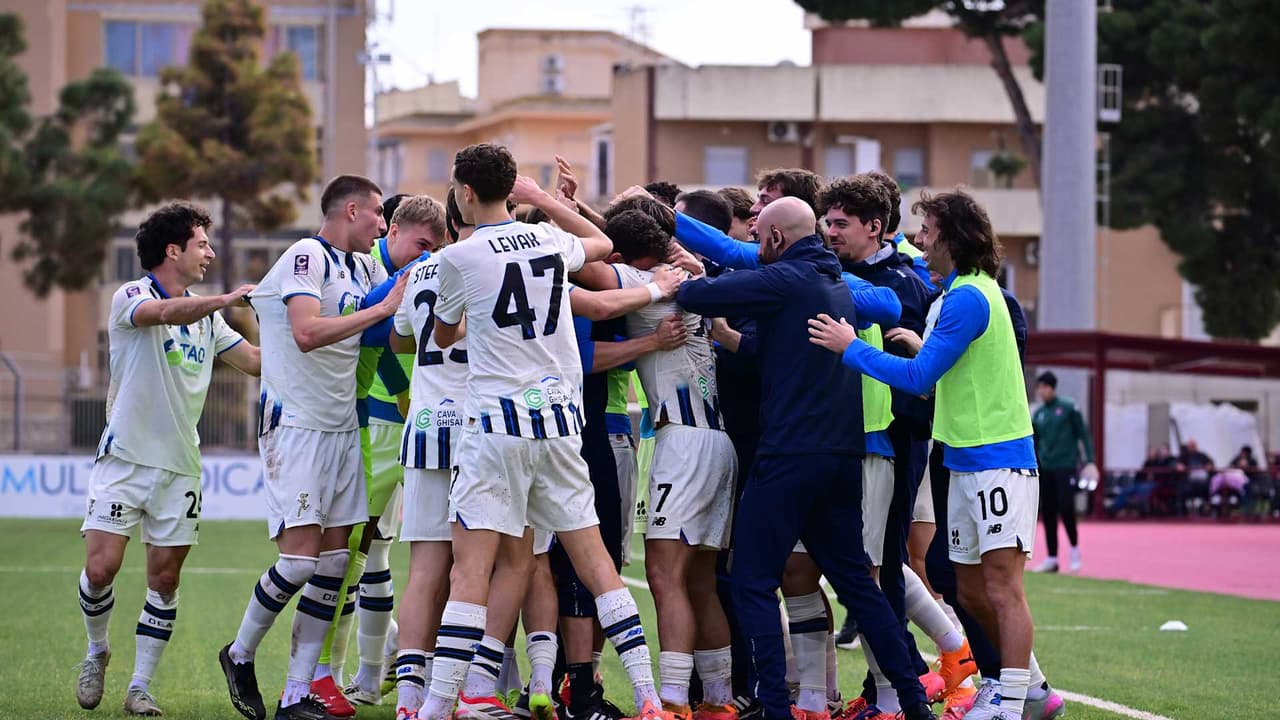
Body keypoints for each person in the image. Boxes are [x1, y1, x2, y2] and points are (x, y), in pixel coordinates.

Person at [418, 143, 674, 720]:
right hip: (561, 424)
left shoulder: (460, 256)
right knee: (597, 563)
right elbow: (603, 244)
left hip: (495, 427)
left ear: (462, 192)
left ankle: (437, 705)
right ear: (512, 188)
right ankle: (649, 698)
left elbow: (444, 335)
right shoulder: (552, 243)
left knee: (471, 571)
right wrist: (547, 204)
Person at [676, 196, 933, 720]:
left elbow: (697, 295)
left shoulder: (785, 279)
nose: (755, 247)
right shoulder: (831, 281)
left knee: (750, 579)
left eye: (759, 239)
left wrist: (684, 273)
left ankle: (774, 706)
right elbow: (787, 353)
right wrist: (734, 340)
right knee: (858, 585)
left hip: (789, 455)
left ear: (773, 240)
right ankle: (915, 703)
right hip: (840, 457)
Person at [809, 189, 1048, 720]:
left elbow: (919, 381)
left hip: (996, 458)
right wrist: (921, 350)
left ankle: (1013, 702)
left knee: (1003, 586)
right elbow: (936, 376)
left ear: (953, 238)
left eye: (928, 231)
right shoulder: (953, 294)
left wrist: (851, 346)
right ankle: (1024, 686)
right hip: (961, 458)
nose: (919, 239)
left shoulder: (968, 297)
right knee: (961, 582)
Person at [220, 174, 409, 720]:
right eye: (376, 212)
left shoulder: (366, 267)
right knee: (300, 562)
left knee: (332, 563)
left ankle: (297, 694)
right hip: (296, 426)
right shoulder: (307, 255)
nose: (380, 223)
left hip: (344, 429)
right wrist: (381, 309)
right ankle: (239, 653)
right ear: (351, 210)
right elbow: (306, 331)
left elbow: (378, 334)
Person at [76, 202, 261, 717]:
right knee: (102, 567)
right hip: (125, 460)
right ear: (173, 250)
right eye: (203, 244)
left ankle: (140, 686)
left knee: (165, 580)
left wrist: (311, 340)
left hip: (180, 467)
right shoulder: (130, 296)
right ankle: (97, 650)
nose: (210, 252)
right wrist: (226, 299)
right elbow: (163, 313)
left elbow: (252, 361)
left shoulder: (210, 317)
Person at [1030, 371, 1096, 574]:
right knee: (1048, 511)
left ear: (1053, 388)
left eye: (1045, 387)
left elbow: (1083, 434)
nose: (1041, 391)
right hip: (1045, 468)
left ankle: (1074, 549)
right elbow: (1034, 441)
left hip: (1065, 465)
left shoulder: (1068, 408)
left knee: (1066, 507)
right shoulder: (1039, 414)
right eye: (1039, 387)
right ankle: (1052, 557)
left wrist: (1090, 461)